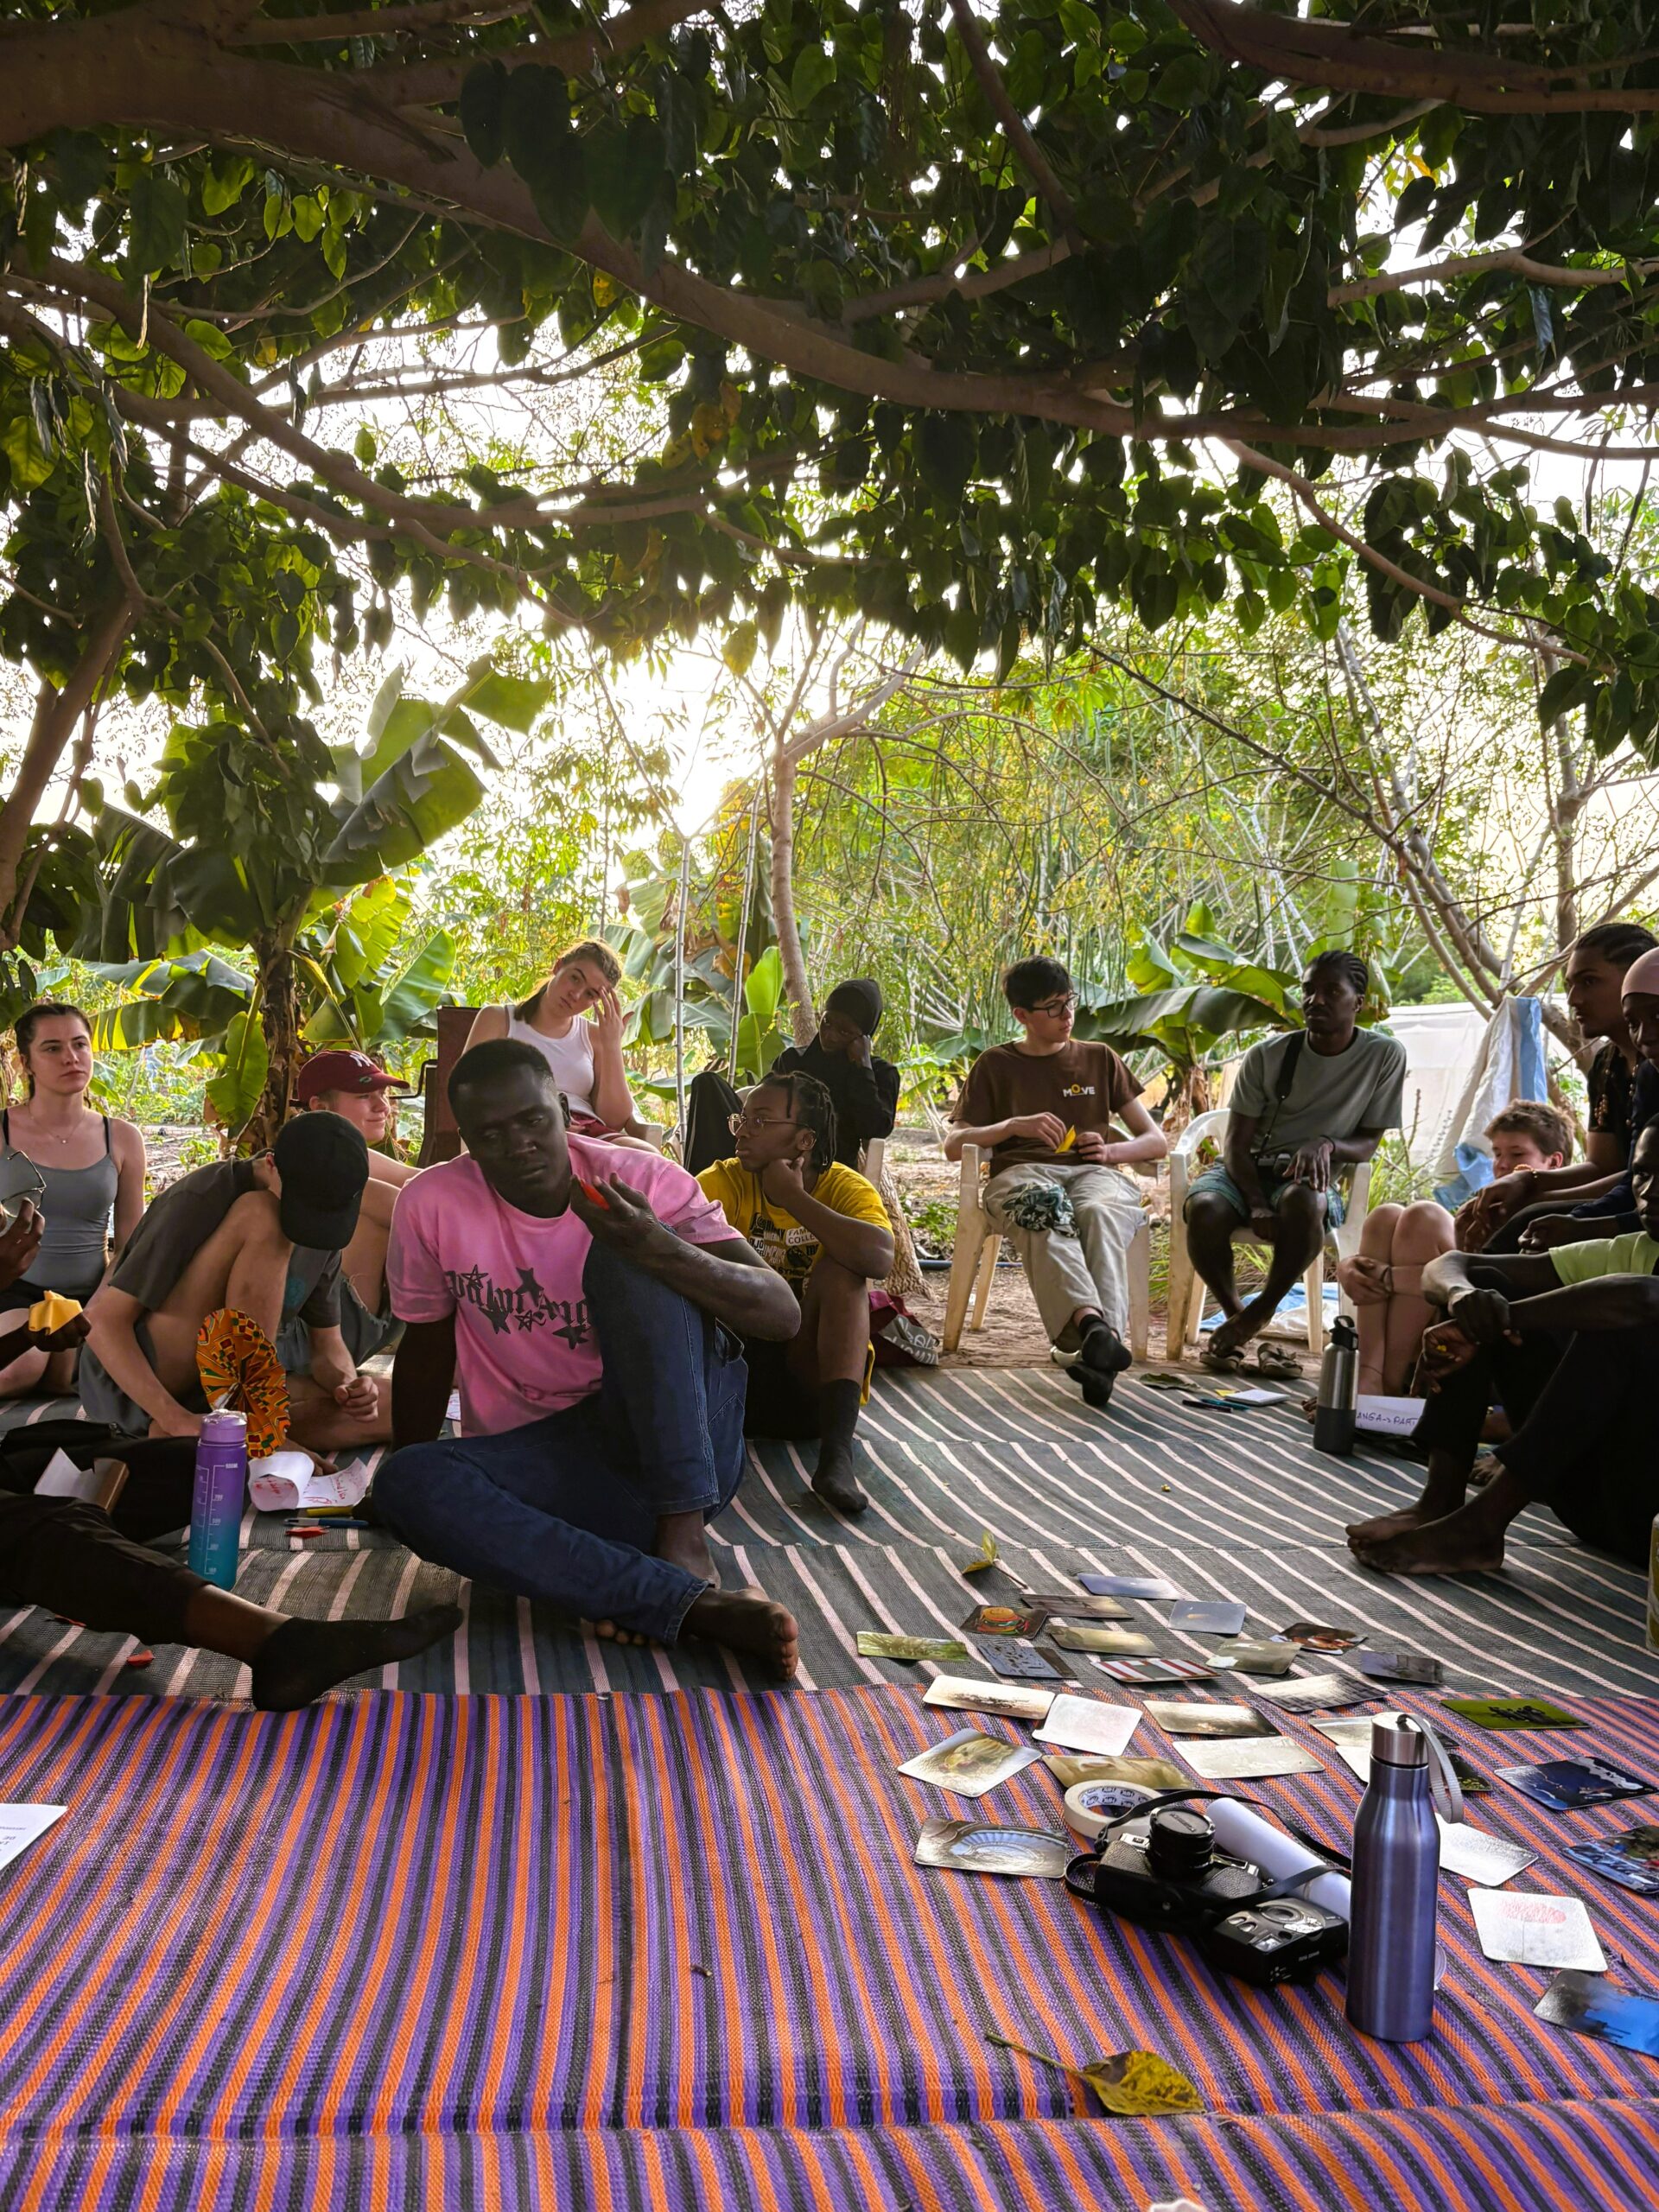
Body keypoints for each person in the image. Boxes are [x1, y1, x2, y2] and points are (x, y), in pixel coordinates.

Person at [373, 1039, 802, 1675]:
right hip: (551, 1471)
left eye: (532, 1121)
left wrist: (659, 1247)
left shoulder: (642, 1178)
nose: (517, 1144)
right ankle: (686, 1606)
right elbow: (427, 1349)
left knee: (629, 1260)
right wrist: (412, 1470)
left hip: (681, 1453)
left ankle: (680, 1547)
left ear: (565, 1112)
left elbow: (781, 1314)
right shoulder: (430, 1204)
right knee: (406, 1484)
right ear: (466, 1140)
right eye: (490, 1134)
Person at [0, 1198, 459, 1707]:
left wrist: (25, 1336)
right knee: (42, 1529)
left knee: (193, 1465)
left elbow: (330, 1351)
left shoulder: (315, 1241)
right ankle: (278, 1643)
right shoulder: (229, 1206)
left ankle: (87, 1557)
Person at [1345, 1119, 1659, 1577]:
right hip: (1596, 1502)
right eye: (1642, 1174)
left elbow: (1644, 1298)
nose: (1650, 1191)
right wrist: (1467, 1301)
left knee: (1621, 1327)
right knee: (1486, 1288)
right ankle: (1440, 1502)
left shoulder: (1636, 1277)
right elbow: (1452, 1265)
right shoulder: (1635, 1247)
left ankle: (1481, 1524)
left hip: (1650, 1518)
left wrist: (1502, 1318)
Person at [79, 1115, 390, 1451]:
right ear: (270, 1164)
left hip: (222, 1393)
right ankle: (225, 1426)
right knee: (263, 1217)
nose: (313, 1224)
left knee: (391, 1407)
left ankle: (223, 1437)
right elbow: (102, 1322)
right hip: (143, 1382)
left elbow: (328, 1348)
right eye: (305, 1208)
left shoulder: (326, 1219)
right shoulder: (203, 1196)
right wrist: (176, 1419)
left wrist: (349, 1385)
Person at [944, 957, 1167, 1408]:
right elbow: (954, 1145)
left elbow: (1155, 1141)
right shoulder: (996, 1064)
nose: (1068, 1015)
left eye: (1070, 1002)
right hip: (1022, 1175)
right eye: (1053, 1008)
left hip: (1094, 1174)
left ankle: (1095, 1343)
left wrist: (1109, 1152)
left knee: (1101, 1212)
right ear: (1022, 1015)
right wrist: (1012, 1126)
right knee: (1043, 1207)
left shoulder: (1099, 1058)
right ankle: (1095, 1332)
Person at [1184, 951, 1405, 1377]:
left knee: (1307, 1202)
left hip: (1306, 1178)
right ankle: (1246, 1322)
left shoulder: (1383, 1056)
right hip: (1246, 1170)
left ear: (1357, 1002)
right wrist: (1256, 1203)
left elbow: (1368, 1143)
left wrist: (1326, 1144)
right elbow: (1236, 1145)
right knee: (1206, 1209)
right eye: (1308, 991)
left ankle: (1255, 1314)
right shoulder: (1268, 1056)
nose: (1315, 1001)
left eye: (1331, 992)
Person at [697, 1070, 894, 1516]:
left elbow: (879, 1258)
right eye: (742, 1118)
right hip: (730, 1380)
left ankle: (836, 1461)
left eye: (761, 1120)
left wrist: (794, 1199)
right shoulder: (722, 1181)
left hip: (810, 1392)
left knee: (844, 1276)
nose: (744, 1129)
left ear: (804, 1140)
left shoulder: (843, 1187)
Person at [1336, 1100, 1573, 1395]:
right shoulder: (1488, 1203)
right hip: (1430, 1316)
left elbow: (1477, 1282)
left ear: (1553, 1163)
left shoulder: (1556, 1218)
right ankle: (1369, 1377)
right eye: (1497, 1153)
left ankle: (1387, 1387)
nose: (1502, 1164)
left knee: (1425, 1216)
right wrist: (1351, 1267)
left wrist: (1384, 1277)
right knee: (1384, 1217)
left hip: (1480, 1327)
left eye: (1517, 1154)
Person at [1459, 922, 1658, 1253]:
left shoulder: (1652, 1068)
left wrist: (1536, 1197)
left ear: (1635, 976)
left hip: (1641, 1209)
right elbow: (1602, 1165)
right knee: (1490, 1216)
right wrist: (1525, 1181)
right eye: (1569, 985)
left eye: (1589, 982)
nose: (1573, 998)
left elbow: (1634, 1180)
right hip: (1626, 1198)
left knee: (1520, 1220)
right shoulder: (1607, 1064)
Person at [0, 1003, 146, 1398]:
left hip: (97, 1293)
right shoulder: (2, 1130)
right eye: (52, 1048)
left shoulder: (122, 1137)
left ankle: (68, 1368)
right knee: (17, 1370)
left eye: (80, 1044)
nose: (71, 1057)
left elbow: (132, 1243)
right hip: (19, 1292)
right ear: (26, 1062)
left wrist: (101, 1304)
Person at [465, 940, 657, 1147]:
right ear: (558, 967)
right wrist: (545, 1116)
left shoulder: (593, 1036)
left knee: (651, 1158)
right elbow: (468, 1090)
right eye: (575, 978)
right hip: (518, 1129)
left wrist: (611, 1046)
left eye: (590, 994)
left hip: (585, 1133)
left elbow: (615, 1121)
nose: (575, 995)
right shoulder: (498, 1019)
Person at [292, 1049, 416, 1363]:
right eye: (364, 1096)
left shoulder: (354, 1154)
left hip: (358, 1328)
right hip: (312, 1337)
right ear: (319, 1108)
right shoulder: (310, 1162)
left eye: (382, 1094)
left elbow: (424, 1179)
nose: (382, 1107)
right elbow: (415, 1211)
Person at [769, 980, 899, 1171]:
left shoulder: (881, 1074)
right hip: (782, 1166)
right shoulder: (792, 1061)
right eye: (827, 1022)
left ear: (864, 1038)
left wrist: (863, 1069)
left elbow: (875, 1129)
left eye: (844, 1031)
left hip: (837, 1175)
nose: (830, 1035)